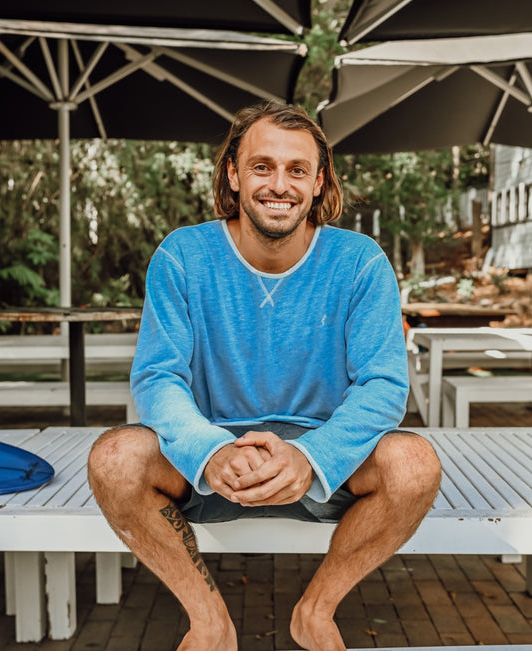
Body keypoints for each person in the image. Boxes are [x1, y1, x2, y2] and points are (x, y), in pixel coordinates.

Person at [88, 101, 441, 651]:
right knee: (115, 457)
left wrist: (312, 457)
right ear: (233, 173)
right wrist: (210, 451)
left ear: (318, 180)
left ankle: (316, 611)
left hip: (327, 465)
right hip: (209, 458)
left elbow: (383, 385)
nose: (280, 184)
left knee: (415, 463)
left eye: (297, 169)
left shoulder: (359, 261)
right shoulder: (183, 255)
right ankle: (209, 622)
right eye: (262, 166)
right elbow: (158, 377)